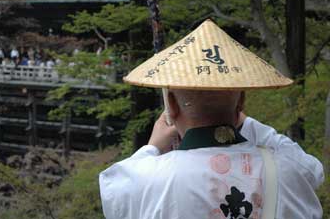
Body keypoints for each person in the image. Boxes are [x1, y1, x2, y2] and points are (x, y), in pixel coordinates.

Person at [99, 20, 324, 219]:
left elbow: (114, 192)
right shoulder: (289, 171)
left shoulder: (146, 179)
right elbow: (312, 170)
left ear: (172, 106)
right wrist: (244, 119)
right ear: (242, 102)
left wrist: (152, 147)